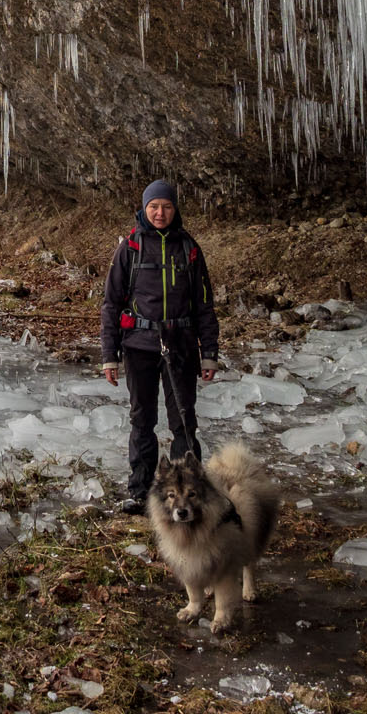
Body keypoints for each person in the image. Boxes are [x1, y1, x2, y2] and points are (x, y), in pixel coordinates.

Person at [101, 179, 220, 516]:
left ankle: (188, 495)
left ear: (174, 208)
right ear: (145, 208)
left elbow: (204, 305)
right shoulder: (130, 249)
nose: (160, 212)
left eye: (166, 206)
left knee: (183, 422)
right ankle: (140, 492)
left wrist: (209, 351)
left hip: (181, 345)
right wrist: (109, 356)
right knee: (142, 420)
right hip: (139, 346)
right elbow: (111, 304)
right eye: (154, 206)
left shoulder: (189, 248)